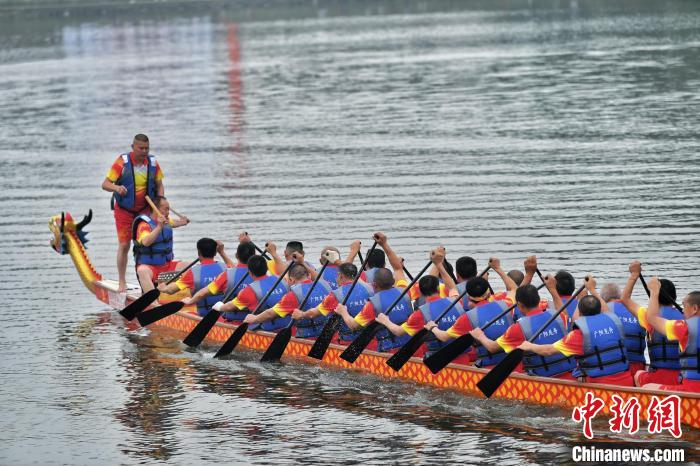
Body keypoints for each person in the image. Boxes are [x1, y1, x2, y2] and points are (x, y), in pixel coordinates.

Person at [518, 276, 635, 387]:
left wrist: (529, 346)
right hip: (627, 381)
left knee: (577, 374)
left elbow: (548, 351)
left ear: (581, 313)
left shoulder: (579, 334)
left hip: (599, 387)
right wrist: (592, 290)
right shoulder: (614, 321)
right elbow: (606, 309)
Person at [102, 134, 174, 292]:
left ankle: (150, 283)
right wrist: (117, 188)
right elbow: (105, 184)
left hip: (145, 210)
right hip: (124, 211)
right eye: (141, 148)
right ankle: (122, 282)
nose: (144, 151)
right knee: (125, 244)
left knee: (147, 244)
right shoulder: (122, 162)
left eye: (147, 148)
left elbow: (159, 184)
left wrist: (160, 203)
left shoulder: (153, 163)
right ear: (133, 147)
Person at [470, 275, 577, 379]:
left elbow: (492, 348)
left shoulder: (518, 328)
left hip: (541, 380)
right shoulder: (560, 317)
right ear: (538, 299)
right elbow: (563, 312)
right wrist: (552, 289)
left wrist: (480, 336)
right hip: (570, 374)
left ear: (519, 305)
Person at [428, 257, 517, 368]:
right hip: (514, 365)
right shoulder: (506, 304)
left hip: (488, 367)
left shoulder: (467, 317)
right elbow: (513, 289)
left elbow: (444, 337)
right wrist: (497, 268)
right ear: (488, 293)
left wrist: (432, 327)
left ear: (469, 297)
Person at [334, 232, 412, 352]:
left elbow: (353, 326)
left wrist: (343, 312)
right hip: (410, 347)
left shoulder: (373, 304)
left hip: (388, 350)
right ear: (393, 281)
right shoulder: (405, 291)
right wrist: (384, 244)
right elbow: (397, 268)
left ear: (374, 286)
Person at [376, 248, 460, 359]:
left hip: (436, 359)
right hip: (461, 355)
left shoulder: (420, 314)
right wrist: (439, 264)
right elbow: (453, 287)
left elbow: (398, 331)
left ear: (419, 292)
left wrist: (385, 321)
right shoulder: (456, 301)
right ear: (438, 289)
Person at [621, 261, 683, 387]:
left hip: (657, 376)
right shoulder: (686, 318)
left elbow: (625, 299)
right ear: (674, 297)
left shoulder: (648, 316)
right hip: (681, 377)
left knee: (638, 374)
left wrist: (634, 275)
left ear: (653, 297)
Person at [639, 277, 700, 392]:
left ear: (695, 308)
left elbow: (652, 318)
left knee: (648, 387)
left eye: (684, 306)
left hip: (692, 389)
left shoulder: (684, 327)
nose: (683, 310)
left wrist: (654, 291)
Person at [292, 262, 374, 344]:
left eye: (337, 276)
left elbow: (313, 314)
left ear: (340, 276)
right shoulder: (369, 288)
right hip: (371, 340)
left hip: (349, 342)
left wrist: (302, 314)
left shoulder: (336, 295)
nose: (336, 279)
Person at [242, 263, 333, 335]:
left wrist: (254, 319)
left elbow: (270, 314)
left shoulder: (293, 295)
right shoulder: (325, 284)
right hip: (326, 333)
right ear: (309, 275)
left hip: (306, 335)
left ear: (291, 280)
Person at [183, 238, 256, 319]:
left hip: (230, 319)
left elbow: (203, 293)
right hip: (255, 319)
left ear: (236, 256)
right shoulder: (261, 274)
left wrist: (190, 301)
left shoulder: (227, 274)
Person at [157, 238, 230, 316]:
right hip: (225, 312)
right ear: (215, 252)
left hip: (204, 314)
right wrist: (222, 252)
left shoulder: (193, 272)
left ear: (198, 252)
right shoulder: (225, 267)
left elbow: (171, 290)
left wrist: (163, 288)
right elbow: (237, 270)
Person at [131, 196, 188, 292]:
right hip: (151, 268)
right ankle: (152, 302)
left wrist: (183, 221)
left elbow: (174, 223)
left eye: (168, 209)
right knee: (142, 271)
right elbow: (145, 242)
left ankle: (183, 295)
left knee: (189, 266)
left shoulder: (166, 221)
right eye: (165, 209)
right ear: (156, 209)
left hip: (167, 265)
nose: (168, 212)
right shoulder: (144, 225)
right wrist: (159, 227)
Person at [212, 255, 290, 322]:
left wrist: (220, 307)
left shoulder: (249, 290)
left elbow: (230, 307)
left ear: (250, 273)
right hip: (285, 322)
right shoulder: (283, 280)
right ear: (267, 269)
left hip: (263, 326)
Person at [600, 281, 647, 375]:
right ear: (620, 295)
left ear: (602, 299)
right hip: (638, 367)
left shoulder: (601, 311)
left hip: (614, 368)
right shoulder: (637, 310)